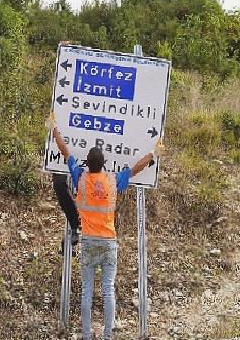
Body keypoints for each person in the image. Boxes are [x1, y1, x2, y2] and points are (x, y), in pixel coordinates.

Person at [46, 114, 163, 340]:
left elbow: (65, 151)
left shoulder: (79, 177)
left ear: (87, 164)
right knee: (108, 289)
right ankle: (108, 336)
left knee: (87, 291)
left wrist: (54, 128)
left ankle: (87, 336)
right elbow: (135, 168)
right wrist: (154, 154)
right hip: (109, 241)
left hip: (89, 240)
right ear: (104, 164)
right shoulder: (112, 180)